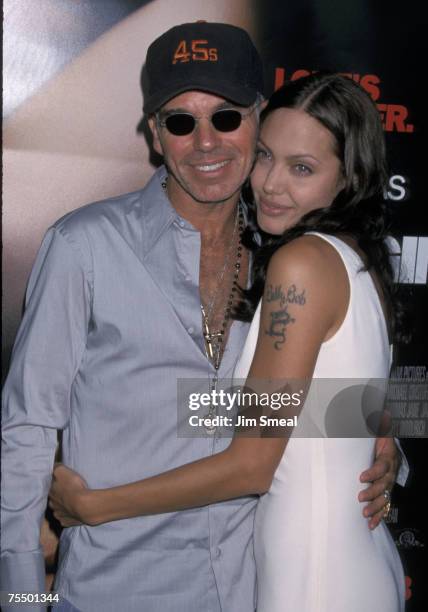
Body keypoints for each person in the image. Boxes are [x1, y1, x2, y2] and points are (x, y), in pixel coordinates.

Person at [1, 21, 404, 612]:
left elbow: (228, 407)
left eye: (227, 116)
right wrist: (18, 597)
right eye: (181, 122)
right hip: (113, 591)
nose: (207, 141)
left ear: (259, 117)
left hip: (247, 590)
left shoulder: (283, 251)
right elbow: (27, 429)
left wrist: (379, 431)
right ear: (156, 135)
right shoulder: (83, 247)